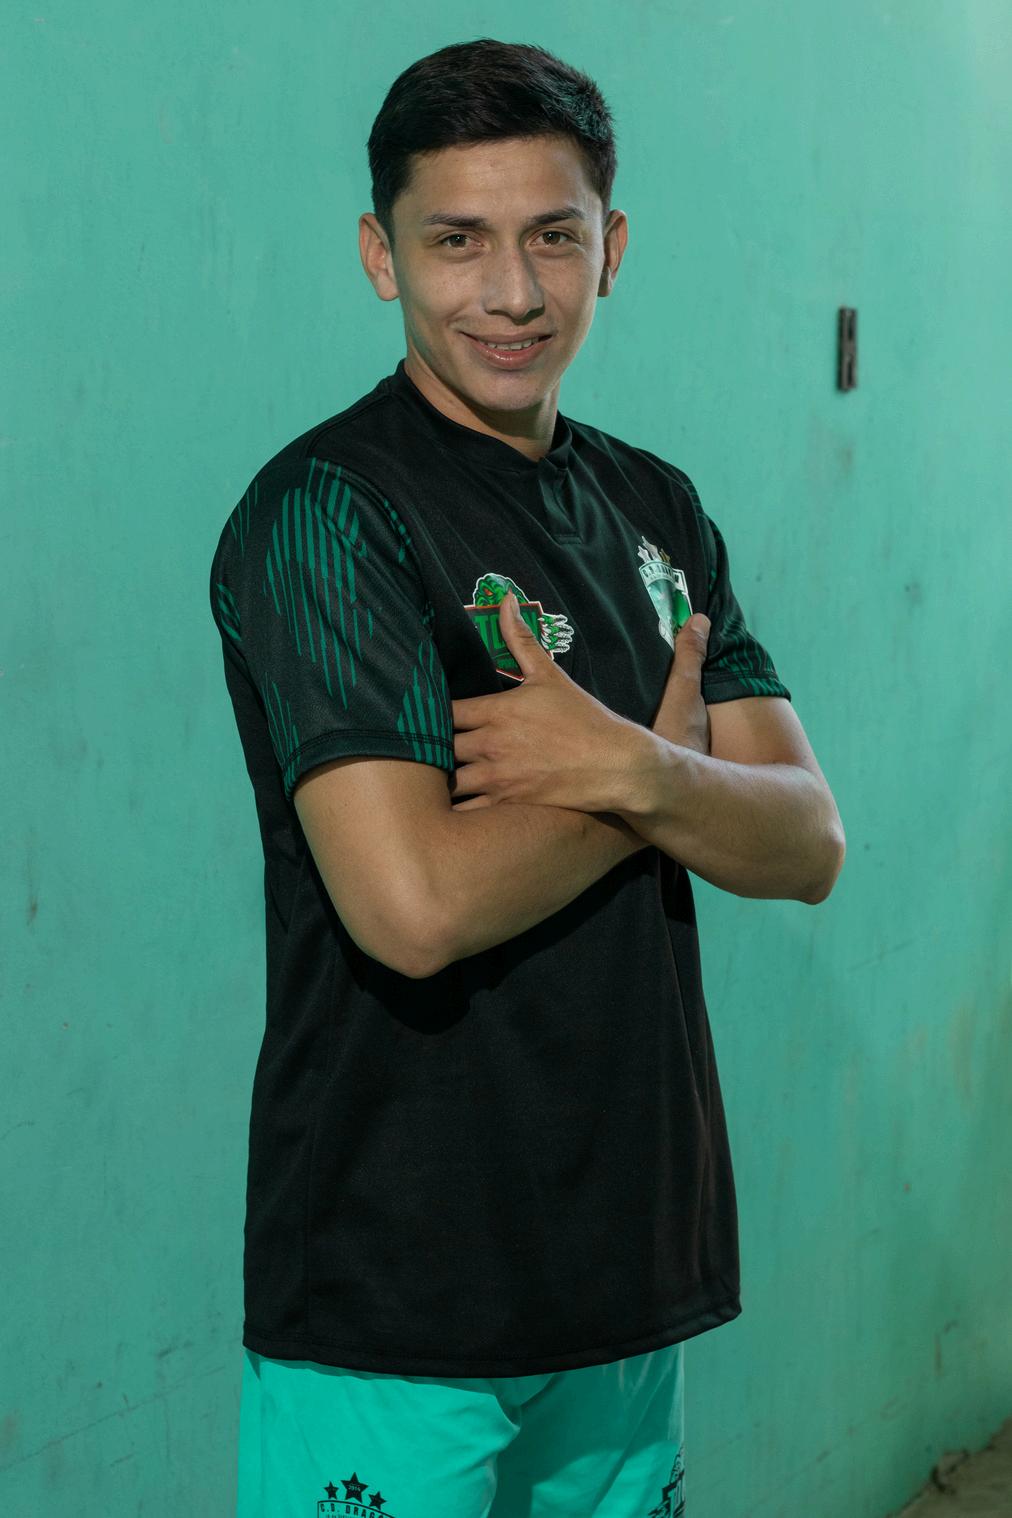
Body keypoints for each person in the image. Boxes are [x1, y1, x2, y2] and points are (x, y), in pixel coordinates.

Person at [209, 36, 845, 1518]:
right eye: (458, 241)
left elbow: (805, 838)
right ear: (382, 254)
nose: (512, 292)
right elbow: (415, 907)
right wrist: (669, 781)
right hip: (395, 1286)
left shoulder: (655, 505)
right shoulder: (327, 514)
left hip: (626, 1267)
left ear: (610, 248)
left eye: (554, 236)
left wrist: (616, 762)